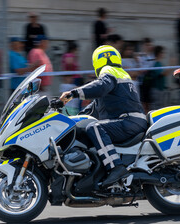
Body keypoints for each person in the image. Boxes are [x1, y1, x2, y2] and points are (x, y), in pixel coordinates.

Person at [60, 45, 147, 187]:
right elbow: (92, 110)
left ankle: (115, 167)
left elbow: (100, 86)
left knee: (93, 128)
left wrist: (73, 93)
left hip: (129, 121)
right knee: (86, 127)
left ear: (97, 61)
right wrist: (68, 120)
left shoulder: (109, 72)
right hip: (130, 122)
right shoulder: (118, 75)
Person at [60, 41, 81, 115]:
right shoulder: (69, 55)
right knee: (74, 96)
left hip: (73, 79)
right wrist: (70, 75)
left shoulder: (66, 55)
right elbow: (69, 64)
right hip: (74, 79)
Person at [137, 38, 155, 113]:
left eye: (150, 45)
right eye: (147, 45)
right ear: (143, 46)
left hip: (150, 81)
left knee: (149, 102)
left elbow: (152, 66)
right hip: (142, 81)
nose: (149, 47)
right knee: (143, 101)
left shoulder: (152, 56)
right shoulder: (139, 56)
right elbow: (140, 67)